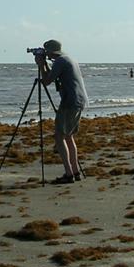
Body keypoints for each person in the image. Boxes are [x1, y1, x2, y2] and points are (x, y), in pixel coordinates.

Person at [34, 39, 88, 184]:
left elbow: (46, 81)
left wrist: (41, 64)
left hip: (70, 101)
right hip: (79, 100)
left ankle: (69, 174)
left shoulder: (59, 61)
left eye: (46, 52)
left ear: (50, 52)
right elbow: (51, 77)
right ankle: (75, 171)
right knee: (68, 136)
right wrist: (44, 64)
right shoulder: (67, 58)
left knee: (59, 137)